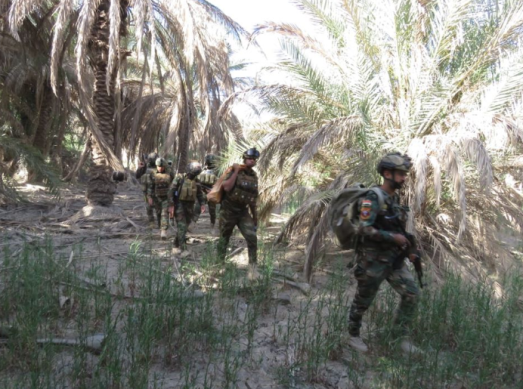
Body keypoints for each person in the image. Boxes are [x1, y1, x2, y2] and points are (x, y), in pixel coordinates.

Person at [348, 152, 421, 354]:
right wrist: (392, 238)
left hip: (393, 260)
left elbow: (397, 228)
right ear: (387, 173)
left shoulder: (393, 198)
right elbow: (363, 228)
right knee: (363, 300)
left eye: (405, 174)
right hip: (373, 262)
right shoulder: (373, 197)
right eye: (401, 173)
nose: (404, 178)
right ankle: (352, 335)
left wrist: (409, 251)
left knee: (412, 294)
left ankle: (399, 337)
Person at [217, 148, 259, 271]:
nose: (252, 161)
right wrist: (235, 171)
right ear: (245, 159)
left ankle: (253, 268)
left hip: (243, 212)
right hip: (228, 210)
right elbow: (227, 187)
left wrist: (255, 217)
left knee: (252, 238)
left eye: (254, 159)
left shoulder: (254, 176)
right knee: (224, 238)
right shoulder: (235, 171)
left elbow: (252, 197)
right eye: (250, 159)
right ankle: (219, 265)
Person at [169, 161, 206, 253]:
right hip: (179, 205)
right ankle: (183, 249)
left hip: (190, 207)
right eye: (195, 168)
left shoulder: (196, 181)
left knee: (185, 227)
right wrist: (171, 205)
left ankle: (175, 245)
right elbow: (171, 191)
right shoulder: (179, 178)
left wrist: (202, 204)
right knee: (182, 226)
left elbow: (199, 194)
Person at [146, 158, 174, 239]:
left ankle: (164, 230)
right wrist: (149, 196)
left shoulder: (170, 173)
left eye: (161, 167)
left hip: (166, 197)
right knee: (158, 213)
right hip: (156, 197)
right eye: (158, 166)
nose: (160, 168)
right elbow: (150, 185)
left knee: (164, 213)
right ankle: (160, 228)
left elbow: (174, 184)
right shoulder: (153, 173)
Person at [193, 154, 218, 233]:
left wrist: (213, 189)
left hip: (212, 192)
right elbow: (197, 181)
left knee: (212, 210)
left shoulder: (217, 171)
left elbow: (220, 183)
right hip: (203, 192)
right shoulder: (202, 171)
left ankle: (212, 224)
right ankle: (192, 224)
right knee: (198, 207)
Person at [136, 152, 159, 228]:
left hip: (158, 190)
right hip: (147, 191)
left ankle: (160, 222)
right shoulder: (145, 167)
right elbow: (137, 175)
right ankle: (151, 221)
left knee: (159, 207)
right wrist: (140, 168)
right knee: (149, 206)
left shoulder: (160, 167)